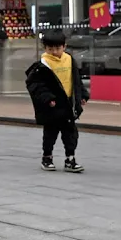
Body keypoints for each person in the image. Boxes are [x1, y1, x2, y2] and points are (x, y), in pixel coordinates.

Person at [26, 31, 88, 173]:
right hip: (52, 105)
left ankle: (70, 159)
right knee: (50, 133)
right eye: (50, 49)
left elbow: (76, 80)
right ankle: (47, 157)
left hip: (68, 104)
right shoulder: (42, 65)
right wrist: (48, 98)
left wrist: (82, 96)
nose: (54, 52)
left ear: (64, 46)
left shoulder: (70, 60)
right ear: (45, 48)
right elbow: (35, 85)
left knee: (71, 133)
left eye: (57, 48)